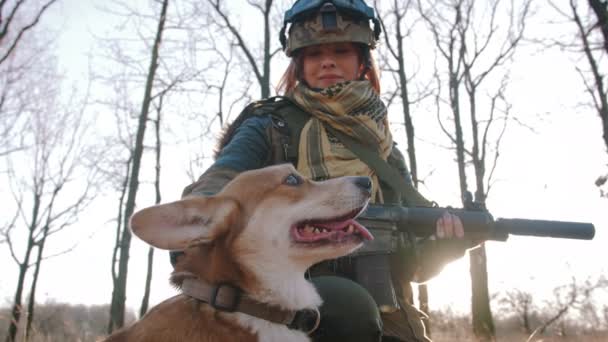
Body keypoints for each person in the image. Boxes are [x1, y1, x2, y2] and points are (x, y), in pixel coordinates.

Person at [177, 1, 476, 341]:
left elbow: (413, 267)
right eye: (314, 53)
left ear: (363, 59)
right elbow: (222, 179)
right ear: (299, 62)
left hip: (390, 324)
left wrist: (446, 245)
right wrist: (199, 217)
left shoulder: (386, 151)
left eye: (341, 50)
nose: (328, 61)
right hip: (285, 314)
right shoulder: (270, 125)